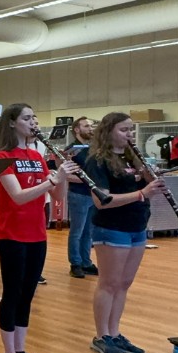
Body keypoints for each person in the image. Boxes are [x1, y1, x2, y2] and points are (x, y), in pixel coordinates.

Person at [0, 103, 74, 353]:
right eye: (27, 118)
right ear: (13, 123)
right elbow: (18, 196)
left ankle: (21, 350)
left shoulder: (38, 156)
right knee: (12, 293)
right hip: (11, 233)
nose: (33, 122)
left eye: (34, 117)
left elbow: (58, 197)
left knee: (27, 294)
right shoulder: (2, 156)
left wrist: (61, 174)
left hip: (37, 232)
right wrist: (51, 182)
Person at [81, 112, 164, 353]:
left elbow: (146, 187)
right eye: (124, 130)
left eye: (131, 130)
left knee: (124, 283)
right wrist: (142, 193)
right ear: (109, 132)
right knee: (109, 283)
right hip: (111, 227)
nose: (130, 135)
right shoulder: (97, 161)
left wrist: (152, 178)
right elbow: (102, 200)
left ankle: (115, 333)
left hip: (136, 225)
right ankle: (101, 336)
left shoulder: (133, 158)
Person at [65, 117, 100, 279]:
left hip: (93, 194)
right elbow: (67, 175)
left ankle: (86, 262)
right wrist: (88, 179)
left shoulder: (94, 148)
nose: (90, 128)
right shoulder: (71, 150)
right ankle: (76, 263)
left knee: (89, 232)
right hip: (78, 194)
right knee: (77, 231)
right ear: (77, 130)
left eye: (91, 126)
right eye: (86, 126)